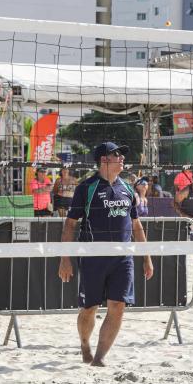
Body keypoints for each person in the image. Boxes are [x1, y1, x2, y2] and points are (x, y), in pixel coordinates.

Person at [58, 142, 154, 366]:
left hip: (123, 258)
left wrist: (147, 257)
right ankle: (85, 344)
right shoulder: (87, 187)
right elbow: (70, 224)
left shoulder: (128, 188)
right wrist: (65, 259)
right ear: (103, 160)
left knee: (118, 306)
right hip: (93, 256)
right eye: (116, 155)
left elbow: (137, 226)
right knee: (89, 307)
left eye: (122, 154)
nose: (122, 158)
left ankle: (99, 358)